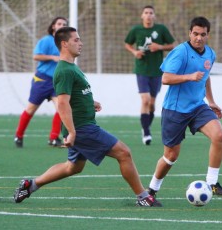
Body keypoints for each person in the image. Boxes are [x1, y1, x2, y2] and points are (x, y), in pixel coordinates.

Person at [13, 26, 161, 207]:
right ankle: (143, 197)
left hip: (82, 125)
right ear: (64, 44)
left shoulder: (71, 68)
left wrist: (90, 102)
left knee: (73, 167)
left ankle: (30, 185)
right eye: (76, 40)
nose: (80, 43)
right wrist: (72, 132)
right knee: (124, 153)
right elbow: (62, 103)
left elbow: (73, 95)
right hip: (82, 128)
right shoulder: (65, 70)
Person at [147, 16, 222, 203]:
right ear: (189, 33)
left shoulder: (210, 54)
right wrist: (189, 76)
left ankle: (212, 183)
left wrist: (211, 101)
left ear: (208, 35)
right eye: (195, 34)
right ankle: (151, 190)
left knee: (219, 136)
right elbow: (166, 78)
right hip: (175, 110)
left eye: (203, 34)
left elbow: (206, 77)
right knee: (171, 156)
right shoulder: (180, 52)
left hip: (198, 106)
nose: (199, 38)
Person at [124, 5, 175, 145]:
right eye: (146, 13)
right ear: (142, 16)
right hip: (141, 70)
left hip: (157, 71)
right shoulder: (136, 30)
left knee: (152, 104)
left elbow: (172, 45)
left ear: (154, 16)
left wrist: (159, 47)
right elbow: (127, 44)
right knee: (145, 100)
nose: (148, 15)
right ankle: (146, 132)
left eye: (151, 13)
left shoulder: (161, 29)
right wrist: (135, 52)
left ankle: (146, 125)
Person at [14, 17, 68, 148]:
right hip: (42, 80)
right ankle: (18, 136)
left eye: (64, 24)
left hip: (57, 81)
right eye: (59, 23)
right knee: (31, 109)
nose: (62, 25)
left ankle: (54, 138)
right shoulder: (46, 40)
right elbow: (36, 56)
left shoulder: (66, 43)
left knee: (61, 108)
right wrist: (52, 57)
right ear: (53, 26)